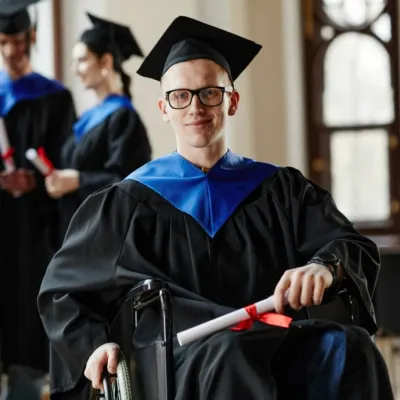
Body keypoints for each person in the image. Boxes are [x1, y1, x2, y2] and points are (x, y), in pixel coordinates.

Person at [38, 16, 393, 400]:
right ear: (164, 108)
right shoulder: (128, 202)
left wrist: (322, 268)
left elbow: (350, 244)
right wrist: (94, 344)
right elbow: (63, 292)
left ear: (232, 101)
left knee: (352, 348)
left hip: (274, 336)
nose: (195, 107)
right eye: (181, 96)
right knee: (233, 352)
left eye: (210, 92)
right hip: (178, 357)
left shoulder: (280, 190)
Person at [0, 0, 76, 398]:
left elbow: (68, 165)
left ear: (32, 37)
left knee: (28, 327)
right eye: (4, 41)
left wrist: (36, 181)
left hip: (35, 233)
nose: (13, 50)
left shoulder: (55, 98)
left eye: (19, 40)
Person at [44, 12, 151, 242]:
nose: (75, 69)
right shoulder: (88, 118)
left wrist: (78, 181)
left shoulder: (124, 119)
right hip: (75, 235)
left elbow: (128, 183)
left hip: (104, 238)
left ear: (106, 62)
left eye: (82, 60)